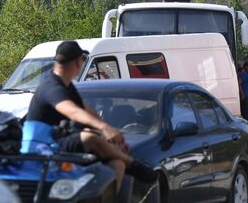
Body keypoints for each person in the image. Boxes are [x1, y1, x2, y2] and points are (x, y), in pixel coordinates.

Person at [22, 41, 157, 192]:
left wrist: (110, 135)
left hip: (57, 142)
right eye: (83, 59)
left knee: (116, 164)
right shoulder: (52, 87)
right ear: (77, 63)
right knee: (89, 138)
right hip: (42, 146)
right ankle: (133, 164)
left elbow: (86, 110)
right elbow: (72, 111)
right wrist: (104, 128)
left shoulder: (67, 86)